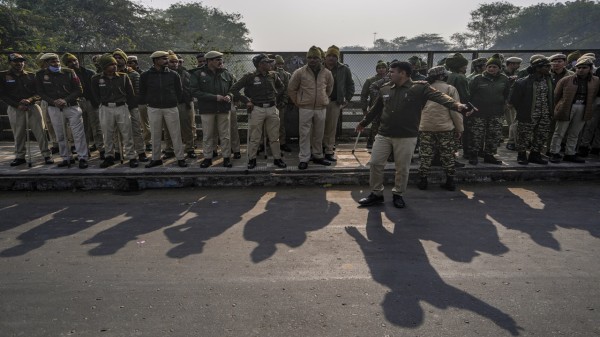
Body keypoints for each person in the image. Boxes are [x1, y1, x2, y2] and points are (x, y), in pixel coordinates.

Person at [355, 61, 469, 208]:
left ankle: (398, 194)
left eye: (392, 71)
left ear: (403, 73)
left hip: (406, 136)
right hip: (384, 134)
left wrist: (458, 106)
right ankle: (376, 194)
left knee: (402, 168)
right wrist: (363, 123)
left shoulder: (419, 88)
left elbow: (441, 97)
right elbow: (376, 109)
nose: (389, 74)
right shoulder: (385, 89)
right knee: (376, 163)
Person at [230, 53, 287, 169]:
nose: (271, 64)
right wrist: (246, 101)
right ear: (260, 64)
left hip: (272, 108)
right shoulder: (249, 76)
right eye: (267, 62)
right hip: (257, 109)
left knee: (274, 136)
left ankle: (277, 158)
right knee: (255, 136)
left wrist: (274, 95)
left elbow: (281, 87)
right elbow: (234, 89)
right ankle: (252, 159)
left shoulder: (273, 75)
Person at [35, 53, 89, 168]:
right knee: (60, 134)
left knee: (78, 133)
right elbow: (40, 92)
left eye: (57, 61)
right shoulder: (40, 75)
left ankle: (82, 157)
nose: (56, 63)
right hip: (54, 107)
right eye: (53, 61)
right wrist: (53, 101)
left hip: (71, 106)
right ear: (46, 63)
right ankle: (66, 157)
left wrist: (65, 100)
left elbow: (78, 89)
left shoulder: (69, 72)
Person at [0, 53, 53, 166]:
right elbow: (2, 95)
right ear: (10, 63)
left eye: (21, 61)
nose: (19, 63)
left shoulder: (31, 75)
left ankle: (46, 155)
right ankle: (20, 157)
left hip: (32, 106)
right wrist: (16, 105)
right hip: (15, 108)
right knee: (18, 133)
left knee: (40, 132)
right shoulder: (3, 76)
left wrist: (30, 99)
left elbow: (39, 92)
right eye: (16, 61)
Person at [417, 66, 464, 191]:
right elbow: (455, 111)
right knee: (447, 154)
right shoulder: (450, 89)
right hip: (445, 127)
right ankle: (450, 181)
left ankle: (423, 181)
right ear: (442, 76)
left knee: (426, 154)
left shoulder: (423, 88)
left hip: (425, 126)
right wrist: (459, 128)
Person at [287, 46, 334, 170]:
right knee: (304, 134)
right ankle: (304, 158)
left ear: (320, 59)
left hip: (320, 108)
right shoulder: (299, 72)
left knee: (319, 134)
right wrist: (298, 102)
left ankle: (318, 156)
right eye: (310, 57)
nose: (312, 60)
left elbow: (329, 89)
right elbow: (291, 89)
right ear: (307, 58)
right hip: (305, 108)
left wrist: (322, 99)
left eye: (315, 58)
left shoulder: (327, 73)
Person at [138, 50, 187, 168]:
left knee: (175, 133)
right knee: (155, 134)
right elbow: (142, 91)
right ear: (155, 60)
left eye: (167, 58)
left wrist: (173, 101)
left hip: (171, 107)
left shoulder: (174, 74)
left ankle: (180, 158)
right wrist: (150, 101)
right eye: (164, 58)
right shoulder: (145, 75)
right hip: (154, 107)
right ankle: (155, 158)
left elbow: (179, 91)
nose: (167, 60)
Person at [548, 57, 600, 163]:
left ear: (590, 69)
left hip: (583, 106)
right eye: (578, 67)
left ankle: (570, 153)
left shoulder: (595, 80)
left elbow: (594, 94)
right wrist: (558, 107)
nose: (581, 70)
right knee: (560, 131)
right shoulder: (566, 79)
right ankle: (554, 152)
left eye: (584, 67)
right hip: (567, 106)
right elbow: (556, 95)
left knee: (575, 132)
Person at [90, 54, 138, 168]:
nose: (114, 66)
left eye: (115, 64)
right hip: (106, 107)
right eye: (111, 64)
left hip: (121, 107)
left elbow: (130, 94)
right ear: (104, 66)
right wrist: (101, 104)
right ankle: (109, 156)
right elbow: (95, 94)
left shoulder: (123, 77)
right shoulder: (96, 79)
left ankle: (131, 156)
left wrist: (130, 108)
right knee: (107, 134)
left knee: (127, 133)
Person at [190, 50, 236, 168]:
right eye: (217, 60)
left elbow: (233, 89)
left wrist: (229, 96)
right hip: (207, 109)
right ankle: (207, 158)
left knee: (225, 134)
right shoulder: (198, 74)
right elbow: (194, 91)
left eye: (221, 59)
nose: (220, 62)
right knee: (208, 135)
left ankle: (226, 157)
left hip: (223, 108)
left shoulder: (226, 74)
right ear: (209, 61)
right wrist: (215, 97)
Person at [510, 55, 554, 165]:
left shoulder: (548, 80)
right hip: (528, 114)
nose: (549, 68)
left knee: (541, 135)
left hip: (545, 114)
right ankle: (522, 155)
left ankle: (535, 155)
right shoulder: (522, 82)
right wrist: (522, 110)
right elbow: (515, 100)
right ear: (537, 68)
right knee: (523, 136)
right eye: (546, 66)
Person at [467, 54, 511, 165]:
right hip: (479, 113)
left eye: (494, 67)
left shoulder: (504, 80)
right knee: (476, 135)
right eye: (489, 66)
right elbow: (469, 95)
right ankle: (473, 155)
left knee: (494, 135)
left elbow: (506, 94)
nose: (491, 69)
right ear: (486, 67)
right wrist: (471, 108)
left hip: (496, 113)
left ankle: (489, 155)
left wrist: (505, 104)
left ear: (499, 68)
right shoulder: (477, 79)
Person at [61, 52, 104, 159]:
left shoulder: (89, 72)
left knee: (97, 127)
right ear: (66, 64)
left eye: (74, 60)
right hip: (76, 103)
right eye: (69, 62)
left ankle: (102, 149)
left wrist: (96, 102)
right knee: (82, 129)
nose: (73, 63)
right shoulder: (66, 75)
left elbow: (95, 89)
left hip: (90, 101)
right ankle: (85, 151)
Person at [113, 49, 148, 163]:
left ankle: (141, 152)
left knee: (136, 130)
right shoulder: (111, 75)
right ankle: (119, 152)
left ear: (125, 60)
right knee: (117, 131)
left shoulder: (133, 74)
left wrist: (131, 105)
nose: (118, 60)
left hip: (132, 106)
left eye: (120, 58)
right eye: (115, 58)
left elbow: (137, 92)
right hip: (117, 107)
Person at [322, 45, 355, 162]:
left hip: (334, 102)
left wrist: (347, 99)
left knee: (331, 128)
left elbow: (350, 85)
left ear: (338, 57)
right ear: (325, 57)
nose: (331, 58)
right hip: (319, 103)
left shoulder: (344, 69)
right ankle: (318, 149)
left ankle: (329, 151)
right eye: (329, 55)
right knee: (318, 127)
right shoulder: (319, 68)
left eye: (334, 56)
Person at [164, 51, 195, 159]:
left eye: (176, 61)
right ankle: (169, 149)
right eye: (171, 61)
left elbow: (189, 88)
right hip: (168, 105)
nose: (174, 64)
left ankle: (190, 148)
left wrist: (188, 102)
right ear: (167, 62)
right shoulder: (163, 74)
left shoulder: (185, 73)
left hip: (183, 103)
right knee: (168, 129)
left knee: (187, 128)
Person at [360, 60, 389, 150]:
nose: (381, 70)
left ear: (386, 69)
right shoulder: (370, 80)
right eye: (379, 68)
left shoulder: (390, 79)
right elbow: (364, 95)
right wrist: (364, 108)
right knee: (375, 125)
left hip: (388, 106)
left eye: (383, 68)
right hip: (374, 106)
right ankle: (371, 141)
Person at [273, 55, 293, 153]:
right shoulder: (269, 74)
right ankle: (262, 143)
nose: (279, 65)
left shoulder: (287, 75)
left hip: (281, 103)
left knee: (281, 124)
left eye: (281, 63)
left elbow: (287, 89)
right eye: (277, 63)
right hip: (270, 103)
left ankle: (282, 143)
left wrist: (284, 101)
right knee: (265, 125)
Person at [503, 56, 523, 151]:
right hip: (502, 100)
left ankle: (512, 141)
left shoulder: (518, 74)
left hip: (512, 100)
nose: (518, 66)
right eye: (516, 64)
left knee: (512, 122)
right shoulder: (502, 73)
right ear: (511, 64)